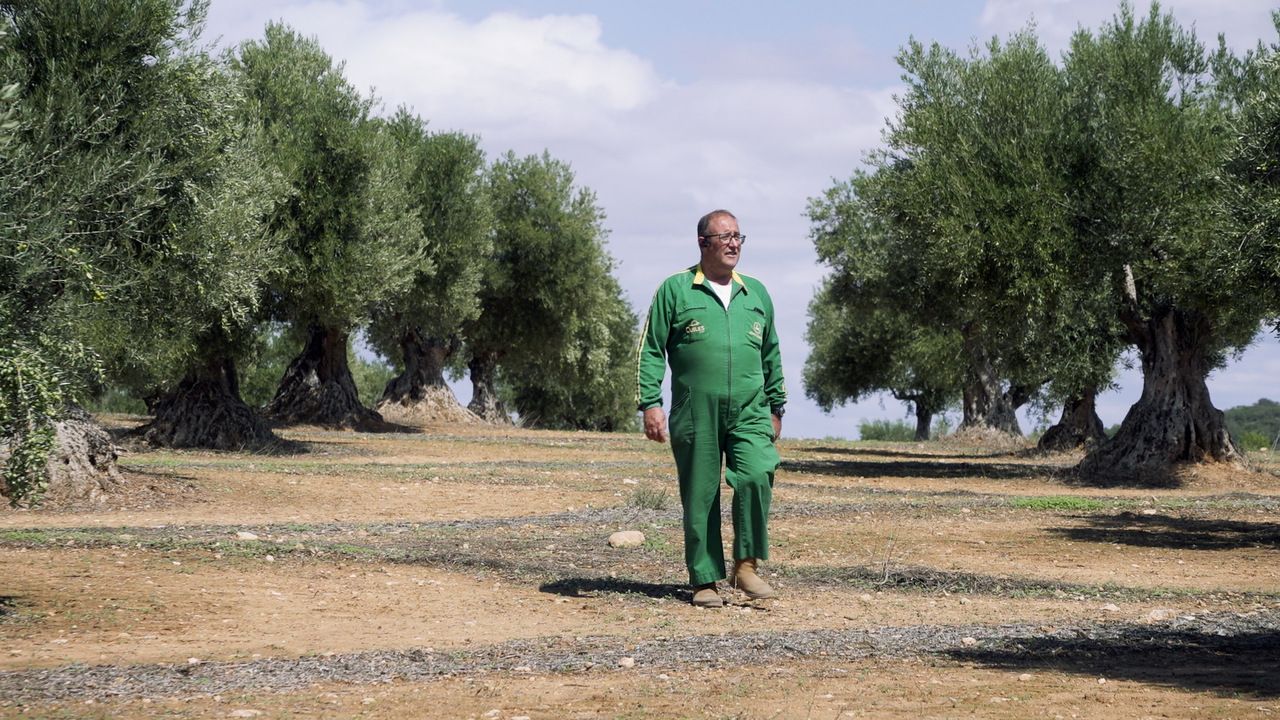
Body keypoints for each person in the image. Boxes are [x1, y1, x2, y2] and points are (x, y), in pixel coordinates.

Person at [635, 209, 786, 608]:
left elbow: (772, 352)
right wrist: (650, 402)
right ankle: (704, 578)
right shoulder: (676, 289)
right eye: (725, 237)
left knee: (757, 474)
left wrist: (777, 406)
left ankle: (746, 567)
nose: (734, 243)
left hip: (752, 408)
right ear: (703, 243)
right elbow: (651, 348)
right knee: (701, 493)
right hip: (694, 409)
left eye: (738, 236)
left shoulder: (756, 293)